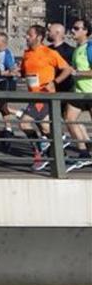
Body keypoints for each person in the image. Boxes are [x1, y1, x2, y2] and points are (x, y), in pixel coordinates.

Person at [18, 24, 73, 172]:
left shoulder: (49, 53)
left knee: (24, 123)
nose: (27, 37)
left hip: (44, 95)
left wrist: (54, 82)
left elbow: (67, 69)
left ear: (39, 37)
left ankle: (41, 153)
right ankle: (58, 151)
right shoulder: (27, 53)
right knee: (45, 127)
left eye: (30, 35)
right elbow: (23, 72)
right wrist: (15, 71)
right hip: (32, 95)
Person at [61, 18, 91, 171]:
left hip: (90, 93)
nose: (72, 30)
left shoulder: (89, 48)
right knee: (69, 120)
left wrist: (78, 73)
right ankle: (84, 153)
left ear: (85, 31)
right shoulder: (77, 49)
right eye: (72, 28)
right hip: (78, 92)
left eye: (76, 28)